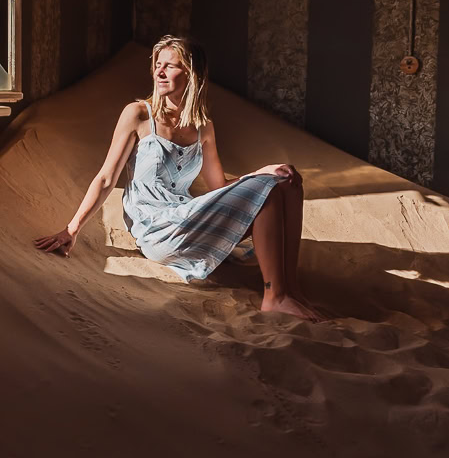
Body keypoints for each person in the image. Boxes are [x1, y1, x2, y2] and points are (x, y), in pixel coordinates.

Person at [34, 34, 325, 323]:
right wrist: (71, 230)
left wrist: (262, 172)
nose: (159, 72)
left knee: (286, 183)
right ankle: (273, 297)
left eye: (169, 66)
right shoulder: (138, 114)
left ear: (191, 74)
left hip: (188, 216)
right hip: (158, 229)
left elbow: (220, 188)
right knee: (269, 191)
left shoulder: (203, 127)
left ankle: (291, 290)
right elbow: (106, 178)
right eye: (157, 64)